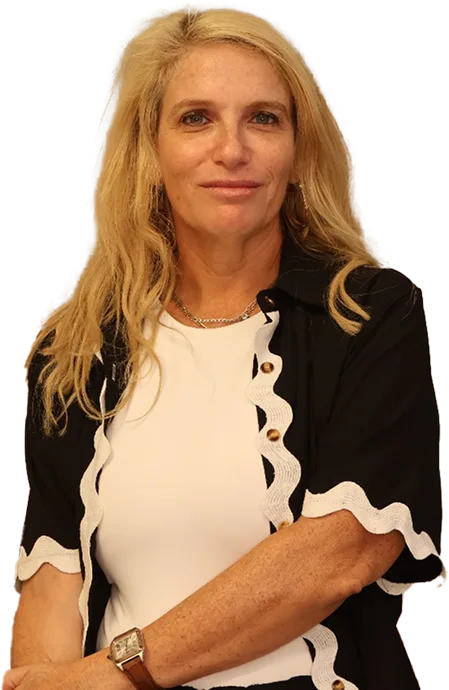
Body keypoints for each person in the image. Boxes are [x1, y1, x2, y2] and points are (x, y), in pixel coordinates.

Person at [5, 2, 446, 689]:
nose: (232, 149)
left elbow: (340, 552)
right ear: (149, 152)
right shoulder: (78, 343)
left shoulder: (367, 312)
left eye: (263, 119)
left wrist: (119, 672)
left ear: (298, 151)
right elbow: (54, 575)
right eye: (196, 118)